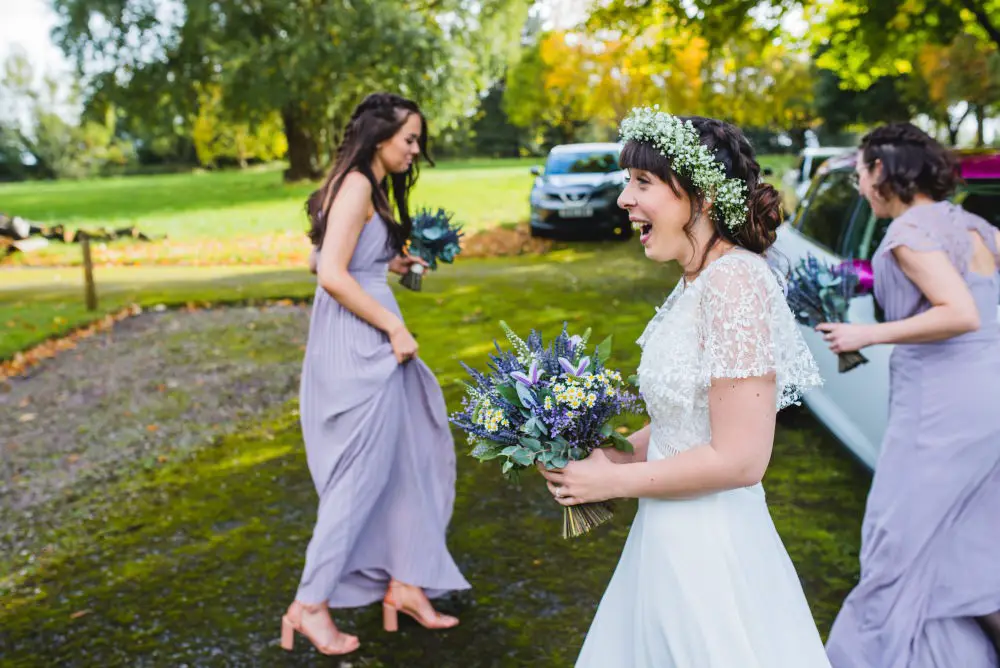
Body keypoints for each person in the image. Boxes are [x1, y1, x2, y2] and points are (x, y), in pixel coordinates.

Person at [540, 107, 829, 667]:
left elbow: (742, 458)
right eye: (628, 181)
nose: (624, 198)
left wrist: (613, 485)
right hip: (667, 535)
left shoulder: (736, 282)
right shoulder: (696, 282)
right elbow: (685, 419)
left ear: (701, 197)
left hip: (710, 549)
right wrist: (611, 456)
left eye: (642, 182)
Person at [281, 92, 470, 657]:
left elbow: (324, 256)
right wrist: (392, 325)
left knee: (412, 460)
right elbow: (331, 275)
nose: (416, 150)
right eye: (410, 139)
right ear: (380, 135)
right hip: (361, 349)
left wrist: (390, 262)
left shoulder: (366, 184)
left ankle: (406, 584)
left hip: (367, 340)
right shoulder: (359, 183)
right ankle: (309, 604)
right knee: (358, 481)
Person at [820, 123, 1000, 667]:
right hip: (987, 392)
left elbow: (960, 313)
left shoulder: (906, 234)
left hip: (941, 404)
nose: (858, 185)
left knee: (898, 535)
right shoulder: (976, 226)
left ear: (881, 171)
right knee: (966, 538)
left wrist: (864, 333)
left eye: (859, 173)